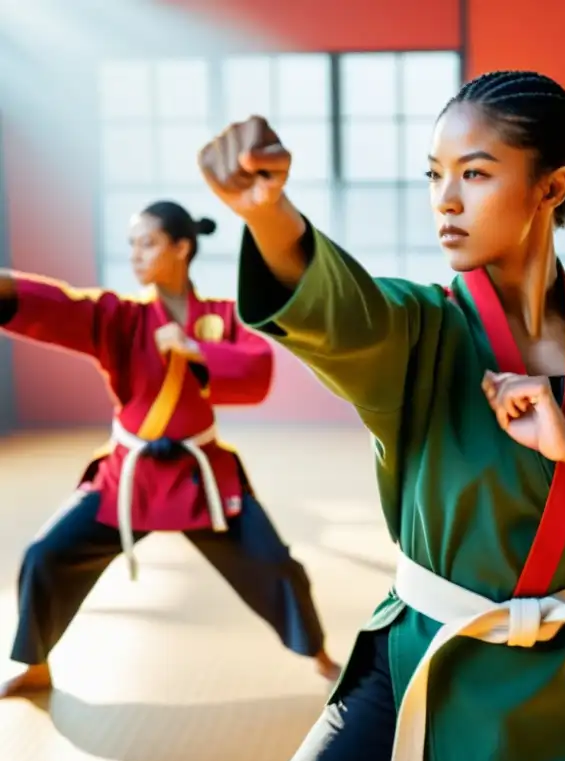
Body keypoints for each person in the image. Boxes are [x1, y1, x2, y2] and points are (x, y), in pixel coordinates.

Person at [200, 71, 565, 761]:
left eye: (474, 174)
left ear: (552, 187)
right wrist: (269, 214)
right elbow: (345, 316)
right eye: (434, 174)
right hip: (428, 654)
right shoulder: (420, 329)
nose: (444, 200)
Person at [0, 201, 339, 698]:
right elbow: (63, 307)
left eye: (149, 242)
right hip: (129, 478)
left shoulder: (223, 317)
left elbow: (257, 367)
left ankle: (321, 656)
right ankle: (34, 664)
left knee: (275, 563)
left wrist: (194, 348)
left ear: (182, 248)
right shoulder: (123, 317)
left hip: (201, 478)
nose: (136, 254)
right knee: (46, 555)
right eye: (132, 244)